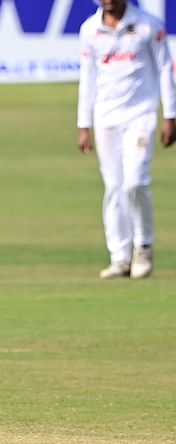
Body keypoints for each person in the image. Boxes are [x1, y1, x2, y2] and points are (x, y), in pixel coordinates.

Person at [77, 0, 176, 279]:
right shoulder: (89, 30)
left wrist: (171, 114)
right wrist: (83, 123)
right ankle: (119, 257)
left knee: (135, 182)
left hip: (140, 116)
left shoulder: (148, 26)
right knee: (114, 187)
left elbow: (165, 69)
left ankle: (143, 247)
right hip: (105, 117)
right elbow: (88, 77)